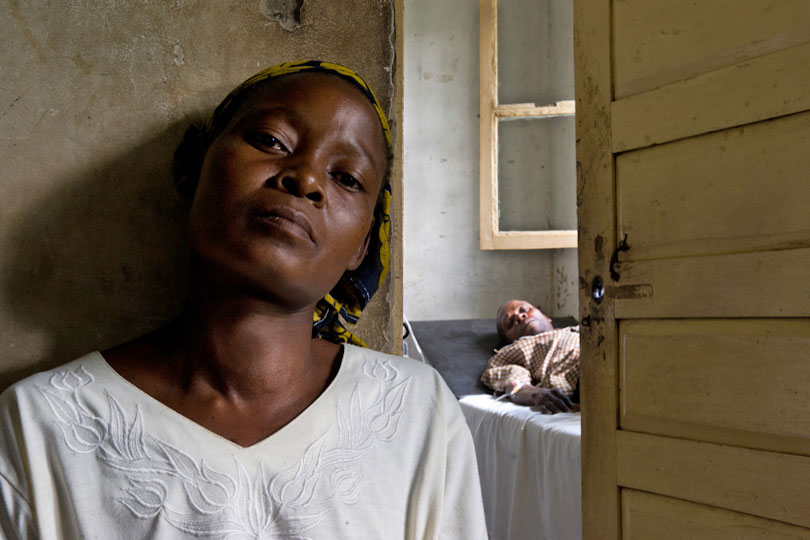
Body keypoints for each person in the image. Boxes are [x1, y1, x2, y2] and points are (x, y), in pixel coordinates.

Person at [0, 60, 487, 539]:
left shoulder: (416, 414)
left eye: (347, 179)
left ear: (363, 245)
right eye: (271, 141)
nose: (307, 180)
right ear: (193, 170)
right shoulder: (39, 427)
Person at [480, 299, 580, 413]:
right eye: (510, 323)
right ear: (508, 340)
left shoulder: (583, 328)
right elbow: (516, 385)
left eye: (525, 310)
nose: (519, 316)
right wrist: (536, 394)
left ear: (546, 317)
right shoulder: (515, 350)